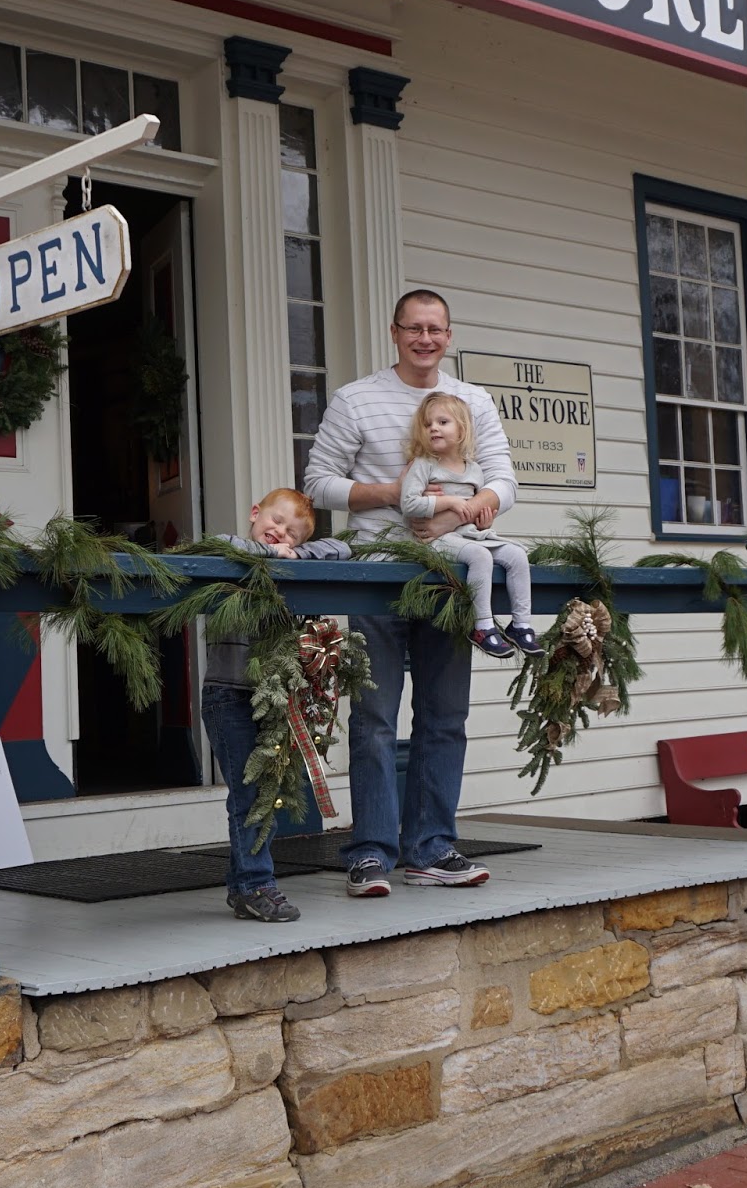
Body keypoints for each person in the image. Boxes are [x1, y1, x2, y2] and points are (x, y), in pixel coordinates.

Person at [305, 289, 517, 896]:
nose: (425, 339)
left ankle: (432, 847)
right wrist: (394, 493)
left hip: (448, 575)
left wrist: (472, 505)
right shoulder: (356, 399)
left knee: (445, 716)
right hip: (378, 573)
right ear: (395, 332)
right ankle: (371, 852)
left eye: (435, 329)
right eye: (414, 328)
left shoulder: (473, 401)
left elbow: (503, 478)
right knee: (374, 717)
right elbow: (317, 484)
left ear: (449, 336)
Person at [200, 487, 350, 922]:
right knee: (250, 795)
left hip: (274, 697)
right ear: (254, 513)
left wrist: (296, 555)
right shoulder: (233, 556)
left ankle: (243, 886)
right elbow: (220, 544)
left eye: (293, 533)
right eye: (276, 521)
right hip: (228, 694)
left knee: (263, 794)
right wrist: (272, 552)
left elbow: (342, 549)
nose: (281, 532)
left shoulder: (291, 560)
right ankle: (256, 884)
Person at [401, 392, 539, 660]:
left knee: (517, 555)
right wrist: (448, 502)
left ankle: (521, 625)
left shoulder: (474, 470)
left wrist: (483, 521)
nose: (434, 428)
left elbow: (471, 512)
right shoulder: (423, 465)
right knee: (480, 556)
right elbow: (408, 504)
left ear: (461, 430)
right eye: (428, 424)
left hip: (469, 535)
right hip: (435, 540)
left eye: (443, 422)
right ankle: (482, 626)